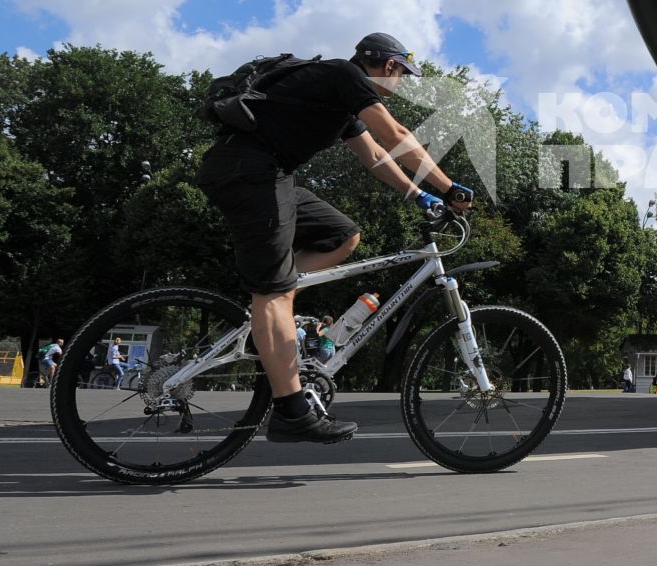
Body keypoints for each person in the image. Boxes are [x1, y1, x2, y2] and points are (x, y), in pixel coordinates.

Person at [196, 32, 473, 443]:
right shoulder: (344, 74)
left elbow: (378, 157)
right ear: (390, 66)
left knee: (343, 235)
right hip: (249, 170)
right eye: (403, 75)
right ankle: (291, 410)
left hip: (272, 174)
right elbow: (395, 135)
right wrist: (451, 188)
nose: (402, 85)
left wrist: (420, 196)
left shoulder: (341, 100)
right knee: (275, 293)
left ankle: (272, 299)